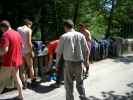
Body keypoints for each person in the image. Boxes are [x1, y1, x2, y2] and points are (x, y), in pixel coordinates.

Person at [56, 20, 89, 100]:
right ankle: (83, 98)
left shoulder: (64, 36)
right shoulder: (81, 35)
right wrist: (85, 63)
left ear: (65, 27)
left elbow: (59, 52)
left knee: (68, 84)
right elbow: (87, 50)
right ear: (73, 26)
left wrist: (57, 64)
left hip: (68, 63)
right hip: (79, 62)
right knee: (80, 83)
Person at [0, 20, 24, 100]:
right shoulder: (17, 33)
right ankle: (21, 96)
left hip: (8, 62)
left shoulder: (5, 35)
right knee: (17, 78)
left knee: (1, 80)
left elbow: (4, 50)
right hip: (17, 61)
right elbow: (22, 46)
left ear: (3, 27)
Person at [17, 19, 36, 87]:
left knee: (22, 69)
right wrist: (32, 52)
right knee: (30, 67)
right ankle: (33, 82)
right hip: (27, 51)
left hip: (20, 51)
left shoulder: (18, 29)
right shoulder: (29, 30)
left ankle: (24, 84)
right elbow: (29, 42)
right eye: (30, 26)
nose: (31, 27)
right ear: (29, 24)